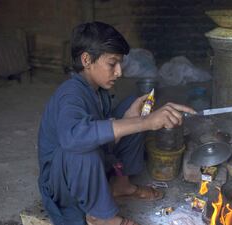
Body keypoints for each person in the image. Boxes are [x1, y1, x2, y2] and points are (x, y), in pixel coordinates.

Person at [37, 21, 196, 225]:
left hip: (87, 165)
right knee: (84, 143)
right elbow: (74, 138)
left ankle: (122, 185)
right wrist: (145, 123)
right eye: (112, 64)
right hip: (61, 181)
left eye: (120, 64)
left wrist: (135, 119)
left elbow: (109, 127)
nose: (119, 72)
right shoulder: (70, 94)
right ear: (86, 60)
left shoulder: (97, 90)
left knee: (133, 108)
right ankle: (99, 216)